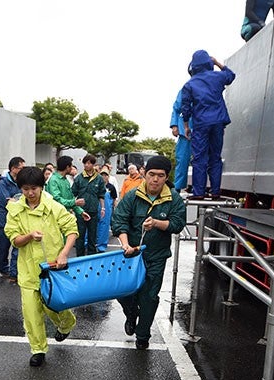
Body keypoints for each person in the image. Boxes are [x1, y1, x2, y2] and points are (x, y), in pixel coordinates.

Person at [4, 166, 79, 367]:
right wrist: (28, 236)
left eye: (34, 188)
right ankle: (38, 349)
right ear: (20, 188)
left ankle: (67, 323)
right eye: (25, 189)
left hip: (52, 269)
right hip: (28, 270)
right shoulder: (15, 210)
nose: (30, 193)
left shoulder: (53, 207)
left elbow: (72, 229)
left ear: (41, 187)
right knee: (31, 312)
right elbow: (14, 239)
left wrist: (64, 254)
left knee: (52, 306)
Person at [111, 155, 186, 350]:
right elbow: (119, 221)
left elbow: (178, 224)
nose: (155, 179)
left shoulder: (174, 198)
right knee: (124, 292)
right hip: (131, 255)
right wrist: (126, 245)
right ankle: (130, 313)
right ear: (144, 173)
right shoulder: (133, 195)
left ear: (166, 176)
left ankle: (143, 335)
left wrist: (157, 223)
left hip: (156, 257)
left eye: (160, 176)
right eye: (151, 174)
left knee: (149, 296)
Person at [172, 50, 236, 199]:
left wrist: (186, 126)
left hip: (201, 123)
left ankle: (199, 192)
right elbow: (231, 75)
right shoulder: (218, 77)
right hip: (219, 122)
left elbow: (185, 108)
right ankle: (215, 192)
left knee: (199, 157)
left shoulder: (190, 84)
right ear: (208, 62)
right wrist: (218, 63)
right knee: (215, 156)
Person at [0, 156, 24, 281]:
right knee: (3, 246)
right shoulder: (3, 183)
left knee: (17, 247)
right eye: (21, 168)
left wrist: (16, 200)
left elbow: (22, 199)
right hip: (4, 220)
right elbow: (7, 202)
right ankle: (3, 269)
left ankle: (14, 273)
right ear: (13, 168)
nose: (23, 170)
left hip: (18, 219)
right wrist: (18, 200)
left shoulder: (21, 182)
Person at [71, 154, 106, 256]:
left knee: (92, 235)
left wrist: (103, 208)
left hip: (93, 211)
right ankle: (79, 256)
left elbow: (101, 194)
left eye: (89, 163)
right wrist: (72, 207)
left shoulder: (99, 178)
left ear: (93, 165)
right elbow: (73, 193)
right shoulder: (79, 178)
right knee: (80, 235)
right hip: (81, 211)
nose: (86, 165)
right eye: (85, 163)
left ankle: (91, 256)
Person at [46, 155, 90, 222]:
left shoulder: (65, 180)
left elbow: (70, 198)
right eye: (71, 166)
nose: (72, 168)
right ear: (67, 167)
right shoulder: (53, 180)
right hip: (55, 217)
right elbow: (56, 199)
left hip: (65, 215)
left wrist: (81, 212)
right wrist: (74, 202)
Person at [96, 165, 118, 252]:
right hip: (96, 208)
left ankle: (101, 246)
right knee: (94, 226)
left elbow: (114, 199)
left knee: (104, 228)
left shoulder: (111, 187)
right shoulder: (96, 185)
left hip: (107, 210)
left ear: (108, 176)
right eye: (102, 175)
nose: (104, 177)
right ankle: (91, 243)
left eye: (106, 175)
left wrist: (114, 209)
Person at [170, 109, 193, 193]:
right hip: (185, 131)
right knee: (182, 160)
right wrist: (174, 125)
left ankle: (199, 188)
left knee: (201, 161)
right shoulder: (184, 95)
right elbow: (176, 108)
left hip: (202, 128)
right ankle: (177, 187)